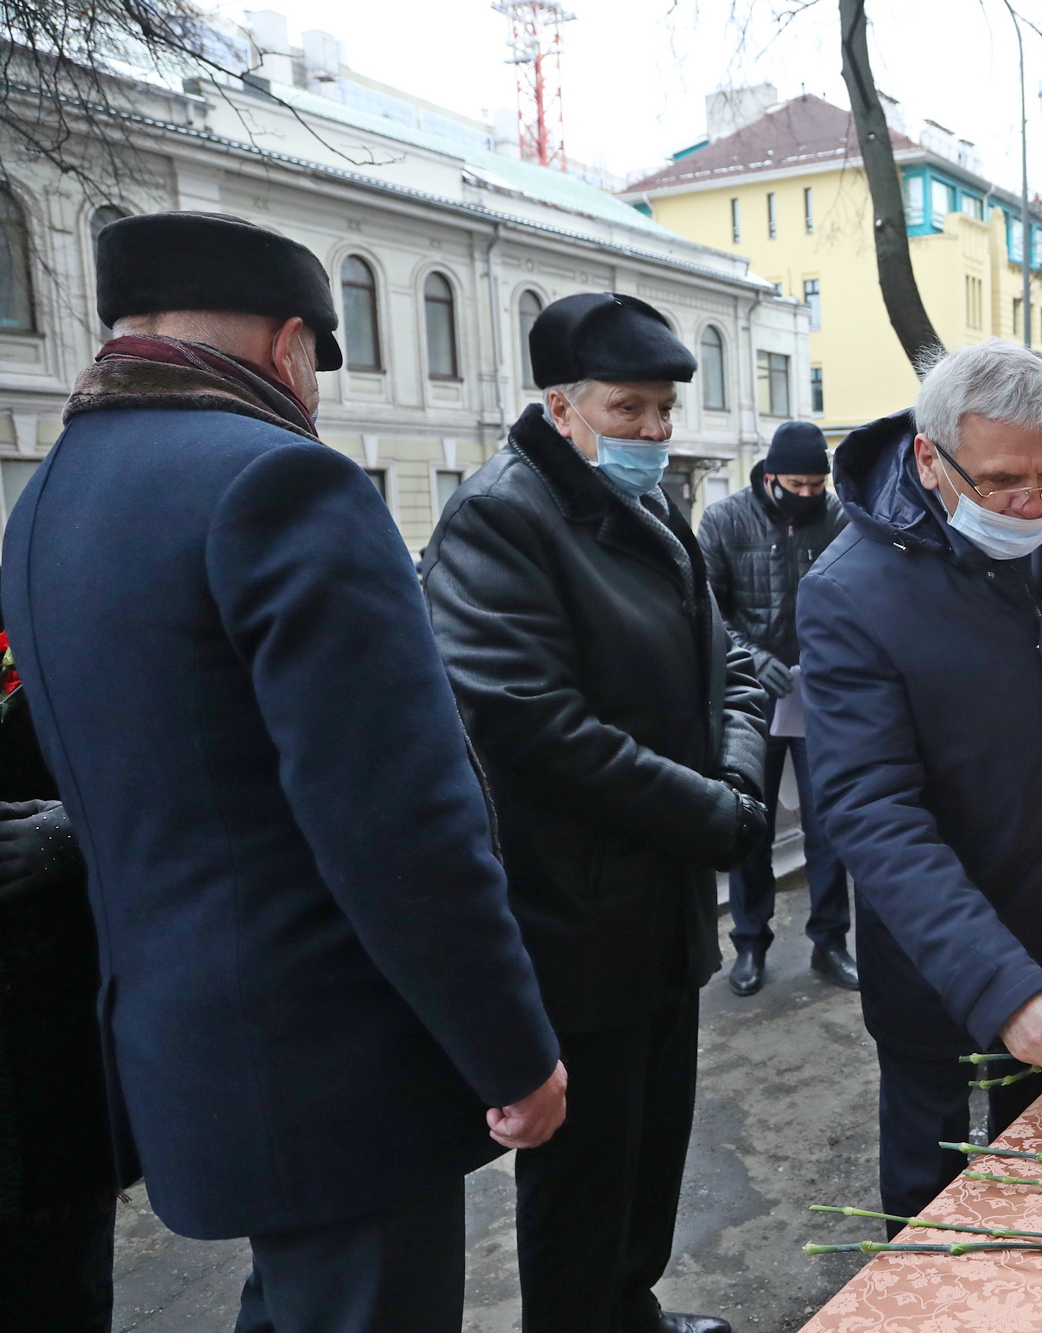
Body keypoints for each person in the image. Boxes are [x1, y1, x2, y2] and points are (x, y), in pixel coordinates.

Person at [1, 210, 566, 1331]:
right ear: (289, 346)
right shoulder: (283, 482)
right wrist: (512, 1052)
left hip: (186, 1056)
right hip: (340, 1070)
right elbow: (399, 819)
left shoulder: (46, 500)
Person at [423, 292, 765, 1333]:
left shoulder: (649, 506)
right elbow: (529, 725)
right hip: (574, 917)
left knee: (651, 1147)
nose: (653, 433)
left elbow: (731, 663)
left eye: (663, 410)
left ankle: (630, 1310)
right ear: (561, 407)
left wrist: (736, 785)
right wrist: (714, 812)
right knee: (582, 1181)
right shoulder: (501, 514)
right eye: (629, 410)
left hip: (658, 902)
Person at [799, 341, 1042, 1227]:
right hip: (942, 969)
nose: (1032, 505)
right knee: (939, 1212)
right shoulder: (851, 591)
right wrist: (999, 984)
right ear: (929, 457)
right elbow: (872, 811)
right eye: (1000, 482)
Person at [698, 422, 856, 997]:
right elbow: (707, 608)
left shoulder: (838, 518)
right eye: (798, 483)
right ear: (770, 478)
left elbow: (855, 596)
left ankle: (831, 941)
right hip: (749, 697)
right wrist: (751, 656)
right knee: (749, 828)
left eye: (818, 483)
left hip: (820, 695)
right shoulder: (724, 520)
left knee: (829, 826)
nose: (810, 493)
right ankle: (749, 943)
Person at [0, 644, 123, 1330]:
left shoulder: (37, 614)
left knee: (58, 1286)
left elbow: (164, 759)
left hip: (49, 1071)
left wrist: (72, 834)